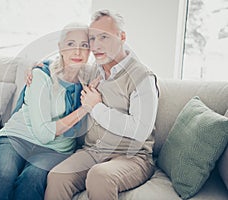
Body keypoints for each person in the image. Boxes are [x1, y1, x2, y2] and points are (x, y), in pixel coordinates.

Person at [43, 10, 159, 200]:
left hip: (132, 157)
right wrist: (38, 67)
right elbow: (64, 63)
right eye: (93, 38)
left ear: (122, 37)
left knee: (99, 176)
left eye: (104, 37)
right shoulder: (92, 71)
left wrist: (96, 108)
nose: (96, 45)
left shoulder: (142, 77)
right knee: (57, 177)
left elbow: (140, 131)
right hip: (94, 151)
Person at [0, 23, 91, 200]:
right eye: (70, 44)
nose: (77, 51)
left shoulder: (91, 78)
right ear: (60, 48)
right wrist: (85, 108)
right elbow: (44, 133)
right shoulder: (41, 75)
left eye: (84, 45)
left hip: (55, 151)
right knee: (3, 177)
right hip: (15, 138)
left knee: (31, 180)